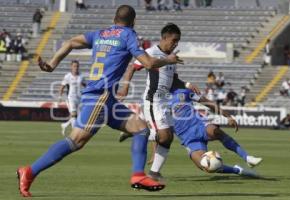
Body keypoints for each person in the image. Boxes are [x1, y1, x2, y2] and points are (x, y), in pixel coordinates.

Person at [17, 5, 183, 197]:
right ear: (133, 21)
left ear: (114, 19)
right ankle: (29, 172)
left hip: (107, 98)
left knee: (141, 128)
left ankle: (138, 175)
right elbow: (149, 63)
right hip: (100, 96)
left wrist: (52, 64)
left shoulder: (100, 34)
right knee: (76, 141)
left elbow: (71, 42)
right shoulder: (128, 34)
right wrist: (169, 60)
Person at [117, 23, 200, 181]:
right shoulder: (150, 52)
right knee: (163, 135)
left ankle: (154, 172)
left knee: (168, 137)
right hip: (152, 101)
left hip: (164, 102)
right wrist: (125, 88)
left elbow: (173, 81)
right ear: (165, 37)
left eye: (178, 41)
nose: (175, 44)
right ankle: (135, 131)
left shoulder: (171, 57)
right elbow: (132, 68)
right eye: (174, 40)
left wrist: (188, 85)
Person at [120, 88, 262, 178]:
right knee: (206, 167)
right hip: (189, 141)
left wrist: (227, 116)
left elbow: (206, 102)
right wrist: (153, 154)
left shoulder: (184, 92)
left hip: (200, 126)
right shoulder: (156, 104)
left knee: (215, 131)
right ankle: (238, 170)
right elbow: (157, 132)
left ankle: (247, 157)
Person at [59, 60, 85, 136]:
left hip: (79, 98)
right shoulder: (68, 76)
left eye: (77, 66)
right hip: (70, 98)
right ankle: (74, 133)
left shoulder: (81, 76)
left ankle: (65, 125)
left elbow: (85, 85)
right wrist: (60, 97)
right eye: (74, 66)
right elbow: (62, 87)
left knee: (77, 116)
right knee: (73, 114)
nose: (76, 68)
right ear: (71, 67)